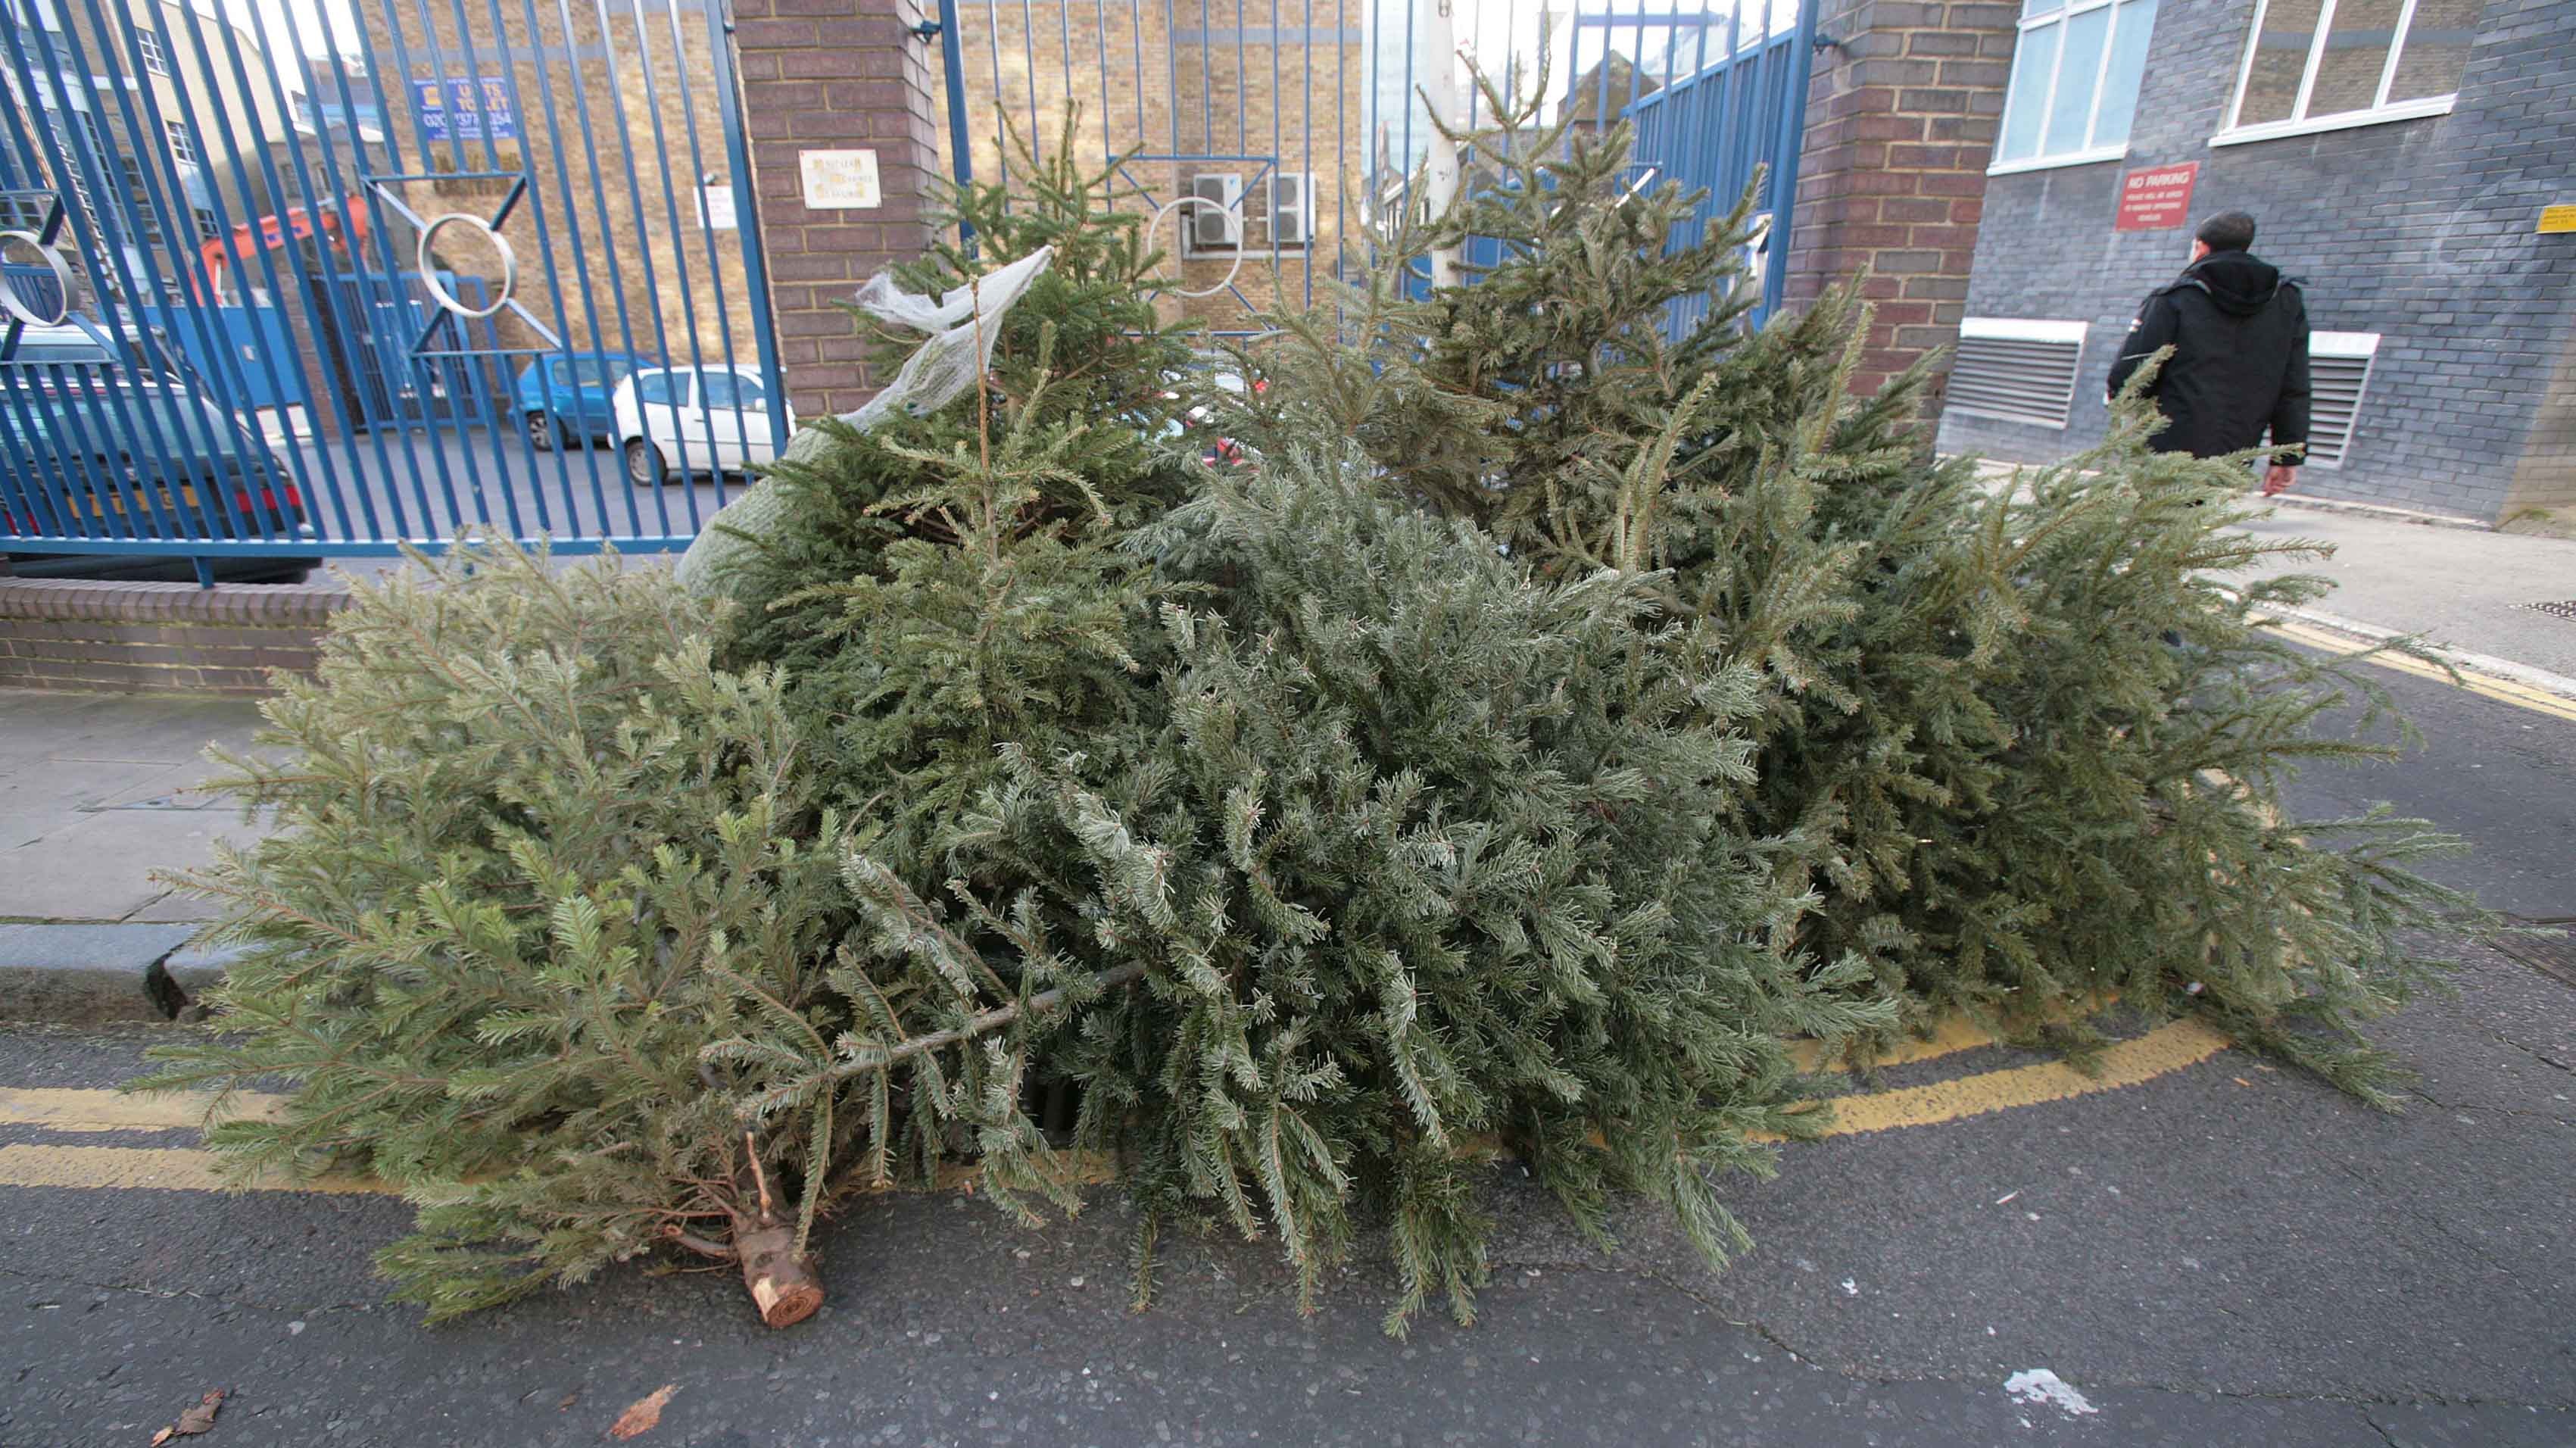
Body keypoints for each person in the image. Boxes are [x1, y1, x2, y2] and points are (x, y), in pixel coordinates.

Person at [2105, 211, 2311, 496]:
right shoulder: (2287, 302)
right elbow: (2295, 384)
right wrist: (2288, 456)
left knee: (2157, 528)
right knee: (2197, 529)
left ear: (2201, 247)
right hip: (2236, 453)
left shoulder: (2175, 298)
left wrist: (2126, 427)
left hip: (2166, 445)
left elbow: (2132, 373)